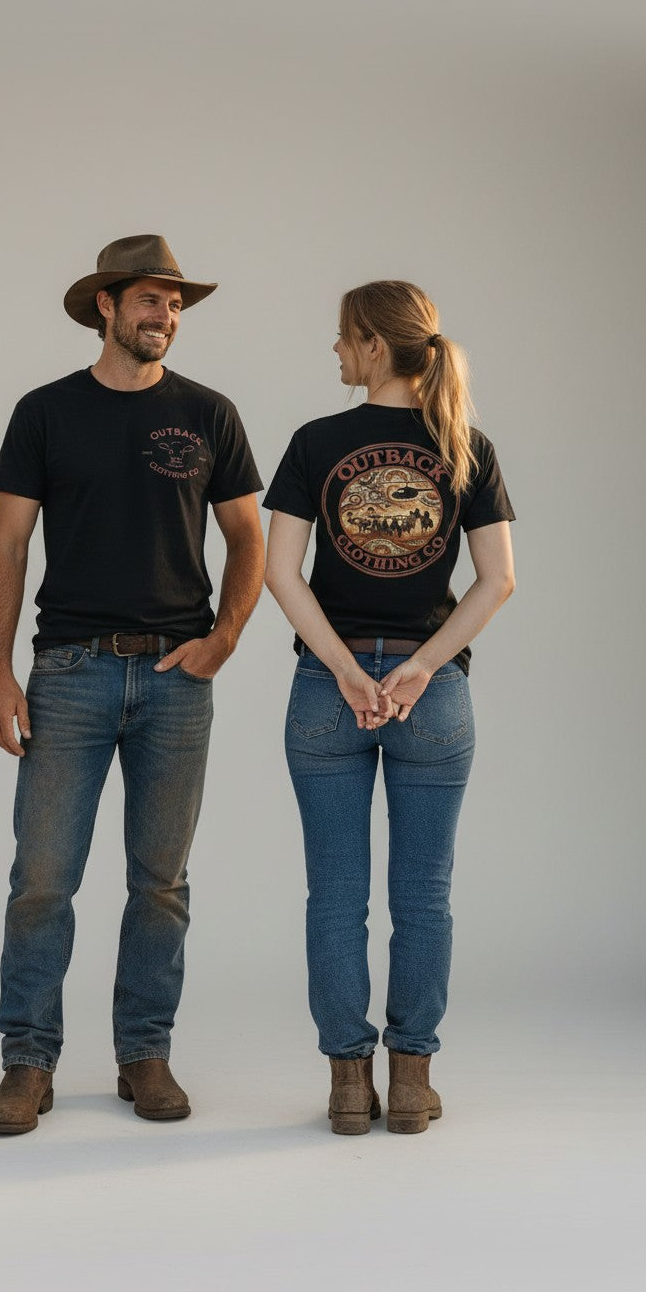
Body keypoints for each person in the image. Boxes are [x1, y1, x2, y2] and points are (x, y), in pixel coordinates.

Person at [0, 234, 264, 1135]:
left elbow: (249, 539)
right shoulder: (45, 412)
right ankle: (28, 1063)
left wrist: (224, 638)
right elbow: (8, 546)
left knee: (162, 883)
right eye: (149, 299)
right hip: (69, 669)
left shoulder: (210, 412)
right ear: (104, 305)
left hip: (179, 677)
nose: (165, 316)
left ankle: (144, 1053)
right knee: (42, 880)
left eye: (176, 303)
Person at [264, 280, 514, 1135]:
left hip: (327, 693)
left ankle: (345, 1087)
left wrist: (342, 668)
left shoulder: (313, 442)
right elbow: (499, 580)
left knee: (334, 897)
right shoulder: (465, 445)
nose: (335, 354)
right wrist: (418, 669)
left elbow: (280, 575)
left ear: (374, 344)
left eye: (342, 339)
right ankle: (411, 1082)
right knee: (425, 895)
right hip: (432, 696)